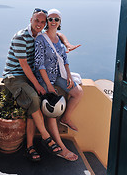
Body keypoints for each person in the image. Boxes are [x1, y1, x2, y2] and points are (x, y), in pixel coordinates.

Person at [2, 8, 80, 162]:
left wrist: (67, 43)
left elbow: (57, 34)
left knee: (35, 106)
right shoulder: (20, 37)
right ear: (30, 19)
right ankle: (46, 137)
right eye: (37, 20)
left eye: (42, 21)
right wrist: (38, 85)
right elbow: (24, 65)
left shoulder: (40, 35)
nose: (39, 24)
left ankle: (30, 146)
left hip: (28, 77)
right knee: (34, 98)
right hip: (14, 76)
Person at [34, 8, 83, 161]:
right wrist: (48, 86)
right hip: (44, 79)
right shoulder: (41, 39)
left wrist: (68, 75)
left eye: (57, 19)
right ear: (47, 22)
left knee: (78, 91)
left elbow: (65, 60)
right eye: (51, 19)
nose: (53, 21)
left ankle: (66, 118)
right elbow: (39, 64)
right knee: (52, 109)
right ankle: (61, 147)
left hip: (58, 75)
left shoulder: (59, 40)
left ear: (60, 22)